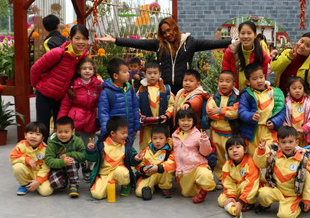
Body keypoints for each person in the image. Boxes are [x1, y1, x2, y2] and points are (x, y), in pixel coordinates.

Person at [96, 17, 231, 93]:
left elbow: (211, 43)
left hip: (184, 87)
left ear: (175, 28)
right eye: (164, 32)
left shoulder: (189, 42)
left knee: (183, 119)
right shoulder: (159, 44)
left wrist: (232, 42)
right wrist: (116, 40)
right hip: (164, 88)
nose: (167, 34)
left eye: (169, 30)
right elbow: (139, 43)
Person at [30, 24, 89, 137]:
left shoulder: (82, 56)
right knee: (43, 128)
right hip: (45, 94)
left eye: (84, 39)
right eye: (77, 38)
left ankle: (56, 148)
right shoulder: (57, 53)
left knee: (61, 128)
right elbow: (35, 69)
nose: (81, 42)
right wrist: (35, 85)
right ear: (70, 38)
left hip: (62, 98)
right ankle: (41, 148)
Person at [254, 126, 310, 218]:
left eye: (290, 142)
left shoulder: (302, 160)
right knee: (263, 193)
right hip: (277, 190)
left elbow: (309, 181)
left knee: (284, 216)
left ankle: (298, 205)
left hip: (292, 195)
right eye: (283, 142)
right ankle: (265, 205)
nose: (287, 145)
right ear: (278, 143)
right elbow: (260, 164)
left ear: (296, 143)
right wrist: (261, 151)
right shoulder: (274, 155)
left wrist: (308, 199)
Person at [57, 58, 102, 181]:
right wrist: (61, 123)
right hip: (75, 119)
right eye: (84, 68)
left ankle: (88, 168)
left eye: (90, 68)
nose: (87, 71)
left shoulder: (98, 85)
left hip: (91, 119)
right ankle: (70, 170)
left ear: (94, 70)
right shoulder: (73, 85)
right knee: (73, 146)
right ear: (79, 70)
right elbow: (65, 105)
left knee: (90, 146)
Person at [239, 63, 286, 156]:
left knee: (269, 154)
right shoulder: (246, 95)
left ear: (265, 76)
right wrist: (251, 116)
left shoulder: (275, 92)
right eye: (254, 79)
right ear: (248, 82)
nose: (259, 81)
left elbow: (281, 111)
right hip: (252, 131)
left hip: (269, 130)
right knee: (253, 155)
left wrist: (275, 122)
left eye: (261, 77)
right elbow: (242, 111)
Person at [87, 116, 139, 199]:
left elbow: (132, 159)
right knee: (98, 195)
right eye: (123, 133)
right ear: (112, 134)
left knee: (122, 172)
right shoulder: (101, 144)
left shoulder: (126, 144)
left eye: (126, 132)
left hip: (119, 171)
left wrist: (136, 158)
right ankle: (108, 184)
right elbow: (91, 159)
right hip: (104, 174)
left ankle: (126, 185)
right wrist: (91, 150)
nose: (126, 135)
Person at [172, 108, 216, 203]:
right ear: (177, 121)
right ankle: (198, 186)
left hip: (197, 166)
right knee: (186, 194)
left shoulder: (198, 135)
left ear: (193, 121)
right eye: (182, 120)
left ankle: (204, 191)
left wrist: (204, 141)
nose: (186, 123)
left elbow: (206, 152)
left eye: (189, 120)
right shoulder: (174, 136)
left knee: (205, 175)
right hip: (183, 170)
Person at [98, 58, 140, 153]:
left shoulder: (130, 89)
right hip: (114, 133)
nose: (128, 74)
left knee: (128, 154)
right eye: (124, 72)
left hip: (129, 131)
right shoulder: (107, 92)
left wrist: (136, 126)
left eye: (128, 71)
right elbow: (103, 113)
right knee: (116, 155)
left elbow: (135, 108)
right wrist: (107, 131)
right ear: (115, 76)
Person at [206, 70, 240, 182]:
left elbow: (235, 113)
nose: (224, 84)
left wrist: (219, 111)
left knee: (233, 155)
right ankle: (221, 178)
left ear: (233, 84)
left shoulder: (236, 98)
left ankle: (234, 178)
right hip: (216, 132)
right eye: (221, 81)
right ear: (218, 82)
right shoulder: (213, 97)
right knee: (219, 157)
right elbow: (210, 112)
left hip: (230, 133)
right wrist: (226, 115)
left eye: (227, 81)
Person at [270, 32, 310, 103]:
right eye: (301, 41)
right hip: (279, 101)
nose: (302, 46)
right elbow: (274, 67)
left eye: (307, 46)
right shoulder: (286, 52)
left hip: (298, 105)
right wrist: (289, 57)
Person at [221, 21, 271, 90]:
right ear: (239, 35)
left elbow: (262, 80)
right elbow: (225, 75)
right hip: (234, 93)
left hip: (253, 93)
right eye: (242, 33)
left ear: (255, 35)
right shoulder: (230, 52)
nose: (245, 36)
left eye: (249, 33)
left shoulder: (262, 55)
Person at [44, 117, 86, 198]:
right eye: (60, 132)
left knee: (71, 160)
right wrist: (62, 162)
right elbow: (48, 160)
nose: (63, 135)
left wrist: (69, 154)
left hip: (72, 165)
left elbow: (84, 155)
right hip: (58, 166)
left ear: (73, 131)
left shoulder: (77, 141)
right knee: (55, 184)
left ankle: (74, 184)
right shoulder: (52, 143)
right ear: (56, 131)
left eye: (66, 132)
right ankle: (64, 181)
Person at [217, 136, 260, 215]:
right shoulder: (227, 164)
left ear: (245, 150)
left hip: (250, 189)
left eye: (238, 147)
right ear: (227, 153)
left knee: (244, 186)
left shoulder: (250, 163)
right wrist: (231, 196)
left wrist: (241, 201)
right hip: (237, 189)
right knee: (221, 200)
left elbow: (251, 184)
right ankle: (234, 206)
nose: (234, 150)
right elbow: (228, 183)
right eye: (230, 149)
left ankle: (246, 203)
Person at [137, 61, 174, 151]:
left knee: (162, 147)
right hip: (146, 127)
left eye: (155, 73)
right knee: (146, 148)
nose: (152, 76)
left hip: (162, 126)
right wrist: (140, 115)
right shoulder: (141, 89)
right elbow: (136, 105)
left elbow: (172, 105)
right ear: (145, 74)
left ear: (159, 74)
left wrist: (167, 115)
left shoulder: (166, 89)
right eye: (149, 73)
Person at [9, 122, 53, 196]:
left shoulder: (46, 149)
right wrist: (27, 160)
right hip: (27, 171)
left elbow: (46, 168)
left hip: (39, 174)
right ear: (25, 135)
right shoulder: (21, 145)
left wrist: (38, 181)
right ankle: (24, 184)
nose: (33, 136)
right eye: (31, 133)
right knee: (17, 167)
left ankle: (34, 184)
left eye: (38, 134)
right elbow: (12, 158)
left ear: (42, 138)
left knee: (46, 192)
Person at [134, 124, 176, 200]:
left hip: (160, 174)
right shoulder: (146, 150)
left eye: (161, 138)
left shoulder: (169, 151)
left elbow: (172, 164)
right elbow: (138, 166)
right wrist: (142, 168)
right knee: (140, 193)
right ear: (151, 139)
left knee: (167, 170)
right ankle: (152, 186)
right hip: (149, 175)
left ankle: (164, 187)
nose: (157, 141)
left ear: (166, 140)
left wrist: (158, 168)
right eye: (155, 138)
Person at [284, 76, 310, 147]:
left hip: (306, 137)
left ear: (304, 89)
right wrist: (289, 130)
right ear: (288, 90)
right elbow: (282, 119)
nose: (297, 91)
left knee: (305, 153)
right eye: (294, 88)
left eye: (300, 88)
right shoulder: (285, 103)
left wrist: (304, 129)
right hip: (290, 137)